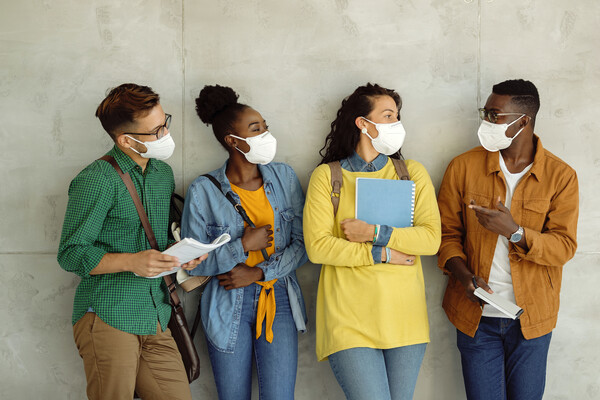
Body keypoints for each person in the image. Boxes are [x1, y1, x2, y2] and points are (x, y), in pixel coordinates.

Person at [57, 83, 207, 400]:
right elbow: (70, 254)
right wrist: (132, 261)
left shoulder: (162, 174)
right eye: (156, 130)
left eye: (165, 122)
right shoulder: (96, 178)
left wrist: (181, 255)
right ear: (126, 140)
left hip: (155, 315)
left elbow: (152, 238)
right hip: (108, 315)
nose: (166, 134)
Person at [437, 79, 579, 400]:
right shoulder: (462, 167)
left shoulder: (561, 176)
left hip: (531, 322)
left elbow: (563, 247)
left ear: (523, 121)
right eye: (485, 113)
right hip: (476, 320)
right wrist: (464, 277)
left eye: (494, 115)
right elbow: (446, 236)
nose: (486, 122)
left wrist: (515, 231)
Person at [303, 83, 441, 400]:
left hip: (405, 317)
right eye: (388, 115)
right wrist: (383, 255)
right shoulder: (327, 177)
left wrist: (374, 233)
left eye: (397, 116)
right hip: (348, 318)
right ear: (363, 123)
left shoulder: (413, 173)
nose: (397, 124)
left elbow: (431, 239)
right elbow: (318, 247)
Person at [181, 84, 308, 400]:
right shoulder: (203, 190)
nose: (266, 134)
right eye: (256, 129)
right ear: (232, 140)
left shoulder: (284, 177)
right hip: (226, 300)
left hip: (277, 296)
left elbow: (302, 243)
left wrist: (260, 273)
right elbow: (192, 261)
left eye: (265, 127)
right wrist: (242, 247)